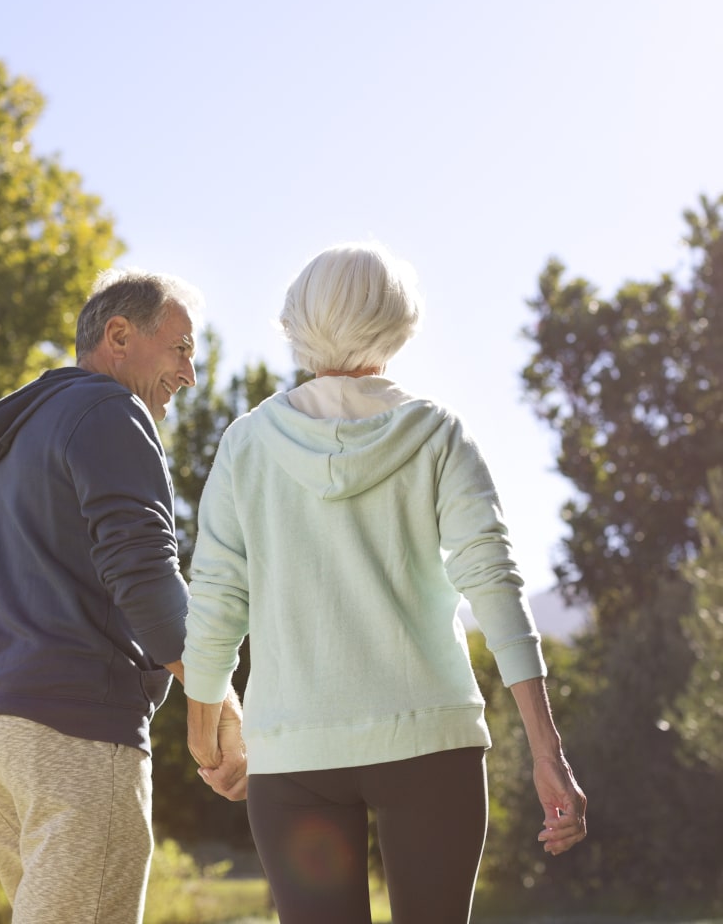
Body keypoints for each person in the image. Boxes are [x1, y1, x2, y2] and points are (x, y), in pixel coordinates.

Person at [182, 242, 587, 924]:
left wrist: (206, 732)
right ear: (399, 322)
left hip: (294, 753)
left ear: (297, 321)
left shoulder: (247, 444)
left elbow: (218, 599)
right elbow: (494, 582)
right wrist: (548, 753)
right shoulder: (436, 434)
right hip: (431, 744)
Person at [0, 268, 246, 924]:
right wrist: (223, 706)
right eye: (181, 349)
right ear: (118, 335)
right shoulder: (111, 412)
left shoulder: (4, 458)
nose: (189, 375)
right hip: (73, 734)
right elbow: (145, 578)